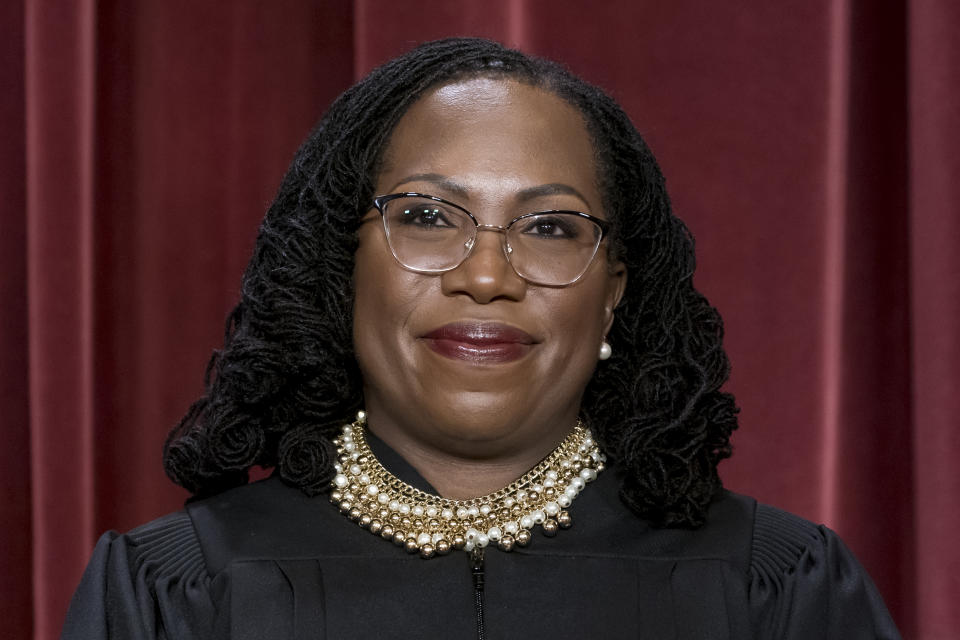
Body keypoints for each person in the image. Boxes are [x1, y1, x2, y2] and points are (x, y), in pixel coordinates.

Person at [62, 37, 900, 639]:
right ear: (339, 266)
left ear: (613, 293)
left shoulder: (777, 589)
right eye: (427, 217)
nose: (489, 275)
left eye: (549, 227)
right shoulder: (174, 594)